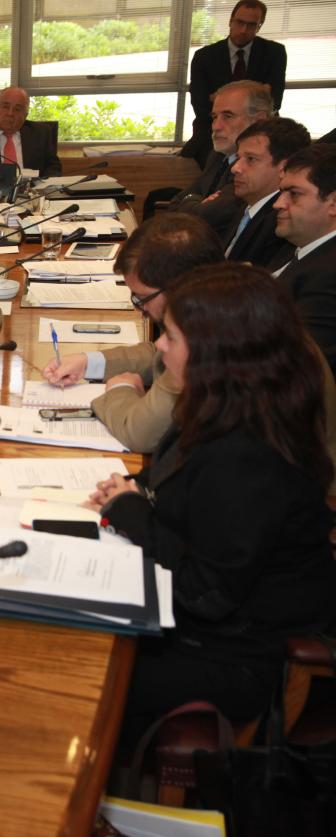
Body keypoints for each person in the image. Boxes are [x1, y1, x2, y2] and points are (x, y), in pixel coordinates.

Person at [89, 265, 335, 737]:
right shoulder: (235, 404)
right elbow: (186, 490)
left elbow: (206, 593)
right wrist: (134, 490)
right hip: (210, 627)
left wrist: (132, 513)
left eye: (172, 337)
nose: (160, 347)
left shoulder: (247, 455)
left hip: (233, 654)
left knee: (72, 674)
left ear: (218, 352)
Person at [42, 213, 224, 453]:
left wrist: (120, 390)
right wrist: (89, 362)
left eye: (141, 297)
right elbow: (157, 354)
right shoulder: (214, 310)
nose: (140, 308)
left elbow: (139, 433)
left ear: (181, 288)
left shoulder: (210, 342)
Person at [184, 0, 287, 167]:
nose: (243, 30)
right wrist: (258, 91)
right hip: (211, 129)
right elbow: (201, 105)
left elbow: (274, 100)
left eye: (251, 25)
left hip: (258, 130)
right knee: (212, 163)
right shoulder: (205, 56)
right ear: (230, 21)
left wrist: (218, 96)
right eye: (239, 22)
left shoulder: (274, 52)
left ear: (259, 26)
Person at [168, 81, 273, 236]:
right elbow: (175, 203)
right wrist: (195, 200)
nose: (216, 126)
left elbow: (206, 216)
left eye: (228, 116)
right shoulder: (217, 156)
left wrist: (192, 201)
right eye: (215, 117)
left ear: (259, 120)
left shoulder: (257, 167)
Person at [270, 144, 336, 374]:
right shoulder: (297, 245)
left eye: (294, 194)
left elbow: (297, 366)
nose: (278, 204)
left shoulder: (329, 276)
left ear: (333, 204)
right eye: (281, 192)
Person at [223, 117, 310, 266]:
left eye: (251, 159)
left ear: (284, 167)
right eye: (238, 158)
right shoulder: (247, 205)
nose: (235, 168)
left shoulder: (282, 220)